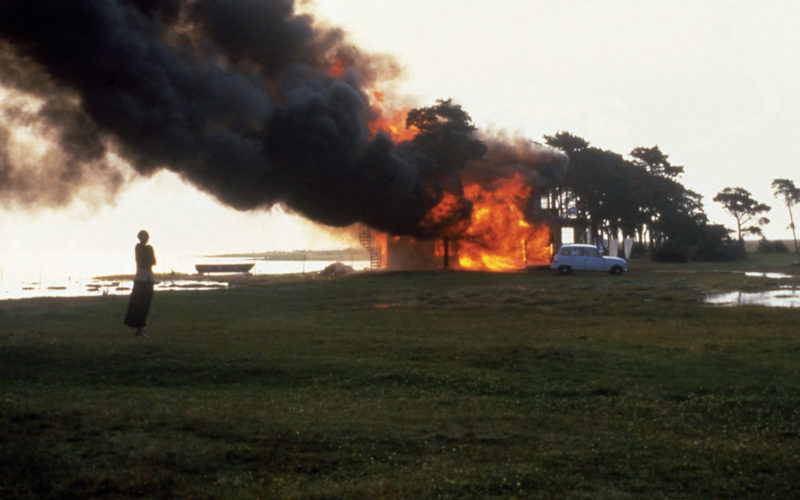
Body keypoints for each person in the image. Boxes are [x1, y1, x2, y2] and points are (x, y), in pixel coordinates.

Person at [124, 230, 156, 336]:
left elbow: (151, 262)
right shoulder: (143, 248)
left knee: (141, 304)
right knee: (141, 304)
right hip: (144, 279)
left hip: (143, 278)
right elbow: (152, 262)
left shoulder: (141, 248)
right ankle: (140, 327)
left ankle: (141, 327)